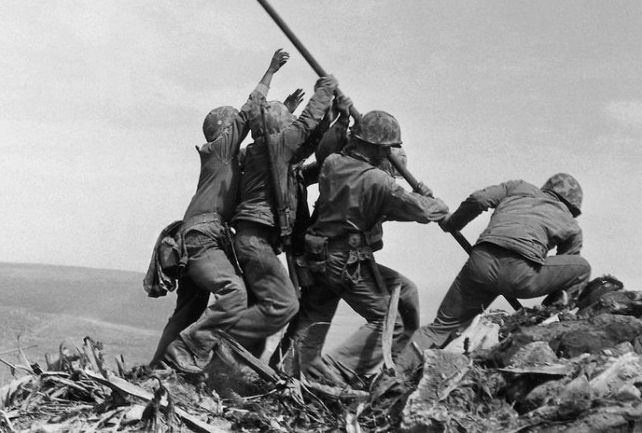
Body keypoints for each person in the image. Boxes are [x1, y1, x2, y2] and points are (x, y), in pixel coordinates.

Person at [149, 49, 294, 372]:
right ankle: (189, 351)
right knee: (234, 293)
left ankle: (157, 369)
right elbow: (249, 113)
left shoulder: (227, 161)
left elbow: (266, 142)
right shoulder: (219, 151)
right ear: (225, 131)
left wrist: (285, 112)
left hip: (193, 239)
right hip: (203, 238)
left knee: (188, 311)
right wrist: (270, 72)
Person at [290, 110, 449, 383]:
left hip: (319, 256)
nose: (388, 153)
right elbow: (423, 211)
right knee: (390, 322)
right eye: (387, 147)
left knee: (314, 322)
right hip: (346, 260)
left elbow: (374, 203)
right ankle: (335, 370)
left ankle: (292, 373)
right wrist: (433, 201)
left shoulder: (333, 164)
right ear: (376, 147)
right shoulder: (379, 181)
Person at [397, 173, 591, 370]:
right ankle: (547, 322)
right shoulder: (571, 224)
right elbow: (564, 272)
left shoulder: (518, 187)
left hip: (481, 263)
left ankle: (394, 373)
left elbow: (479, 199)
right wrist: (546, 310)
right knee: (582, 268)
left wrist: (452, 223)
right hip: (521, 274)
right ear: (573, 206)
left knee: (439, 328)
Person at [224, 73, 341, 357]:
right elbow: (305, 126)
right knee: (286, 305)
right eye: (287, 124)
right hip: (255, 241)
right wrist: (324, 91)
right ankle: (215, 339)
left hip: (253, 241)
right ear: (279, 128)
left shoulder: (263, 152)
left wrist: (333, 120)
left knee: (259, 310)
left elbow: (307, 142)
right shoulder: (275, 147)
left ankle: (232, 367)